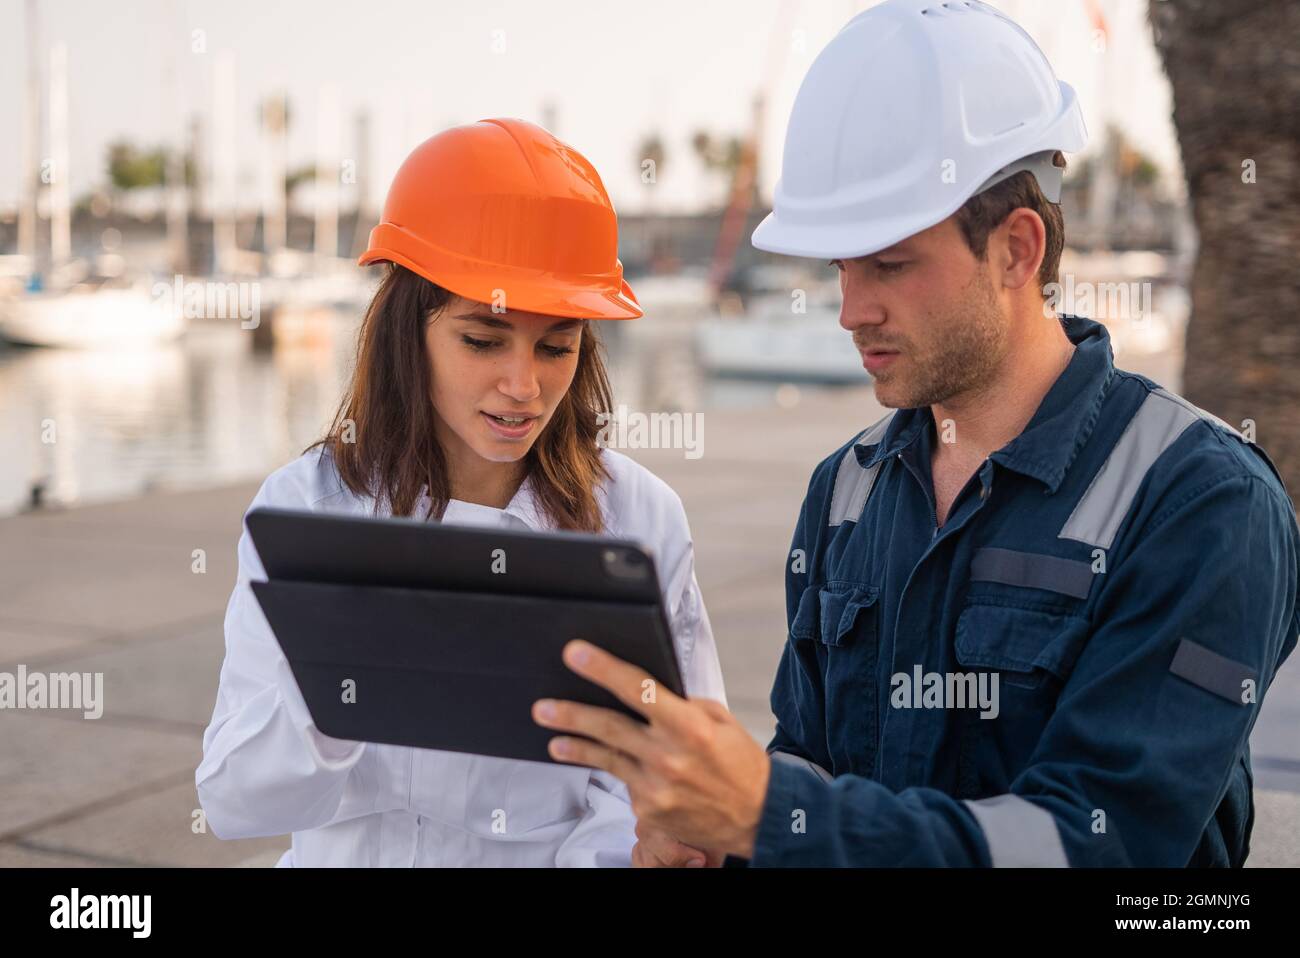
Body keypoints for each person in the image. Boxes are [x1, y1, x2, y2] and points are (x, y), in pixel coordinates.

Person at [532, 0, 1300, 866]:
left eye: (891, 264)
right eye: (841, 270)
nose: (852, 312)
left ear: (1017, 250)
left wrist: (766, 813)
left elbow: (1101, 843)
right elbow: (816, 767)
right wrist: (721, 837)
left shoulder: (1204, 503)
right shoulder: (847, 489)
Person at [196, 118, 727, 867]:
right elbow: (233, 801)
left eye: (556, 346)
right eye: (483, 340)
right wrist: (343, 681)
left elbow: (658, 793)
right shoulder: (304, 509)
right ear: (406, 330)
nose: (524, 387)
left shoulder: (641, 521)